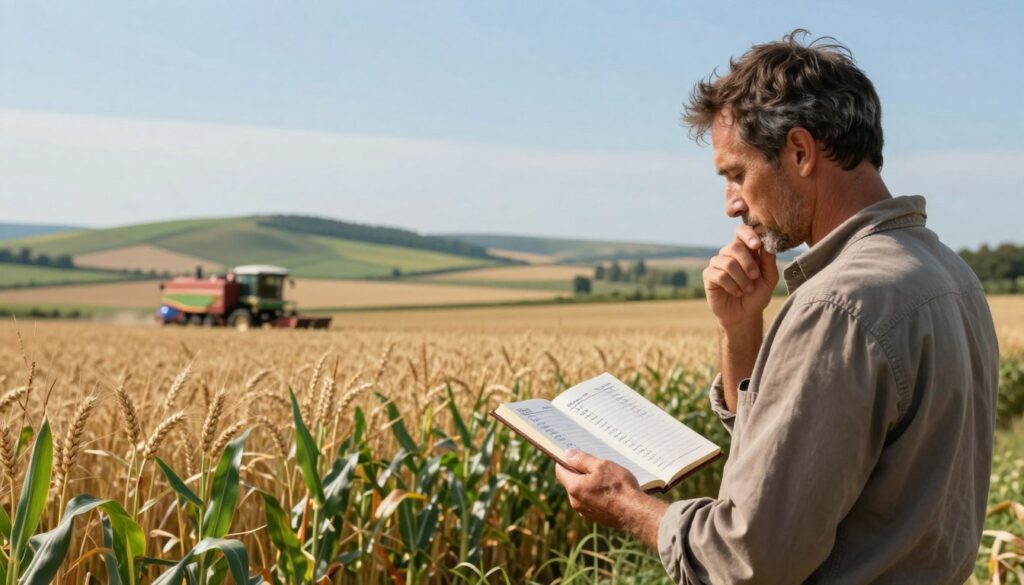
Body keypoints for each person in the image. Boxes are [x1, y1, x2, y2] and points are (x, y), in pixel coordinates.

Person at [554, 29, 999, 584]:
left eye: (737, 174)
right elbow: (798, 465)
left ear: (799, 151)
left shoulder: (838, 306)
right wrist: (741, 330)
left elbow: (751, 560)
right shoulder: (949, 274)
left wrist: (624, 502)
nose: (732, 203)